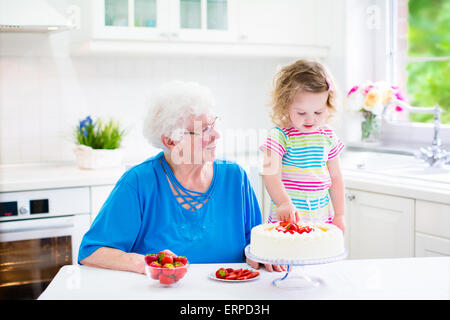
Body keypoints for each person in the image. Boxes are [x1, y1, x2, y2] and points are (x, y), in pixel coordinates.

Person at [78, 81, 284, 273]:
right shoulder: (138, 183)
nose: (216, 136)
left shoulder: (235, 178)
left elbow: (254, 244)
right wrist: (148, 263)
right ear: (171, 142)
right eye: (204, 130)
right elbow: (92, 251)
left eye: (213, 124)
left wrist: (262, 255)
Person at [260, 59, 345, 232]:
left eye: (318, 112)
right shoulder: (279, 136)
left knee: (318, 255)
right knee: (287, 256)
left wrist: (339, 215)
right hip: (289, 217)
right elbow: (271, 175)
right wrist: (284, 202)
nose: (310, 119)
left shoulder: (328, 136)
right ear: (286, 105)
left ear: (327, 105)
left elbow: (336, 178)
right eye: (301, 112)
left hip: (322, 216)